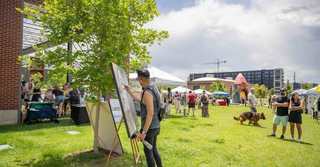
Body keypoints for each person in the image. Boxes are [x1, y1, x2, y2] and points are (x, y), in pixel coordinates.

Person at [125, 69, 162, 167]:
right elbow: (142, 100)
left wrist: (143, 132)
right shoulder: (153, 87)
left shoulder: (147, 92)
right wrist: (130, 91)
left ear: (141, 79)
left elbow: (150, 113)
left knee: (148, 153)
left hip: (150, 127)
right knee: (153, 149)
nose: (138, 81)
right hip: (155, 125)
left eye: (138, 79)